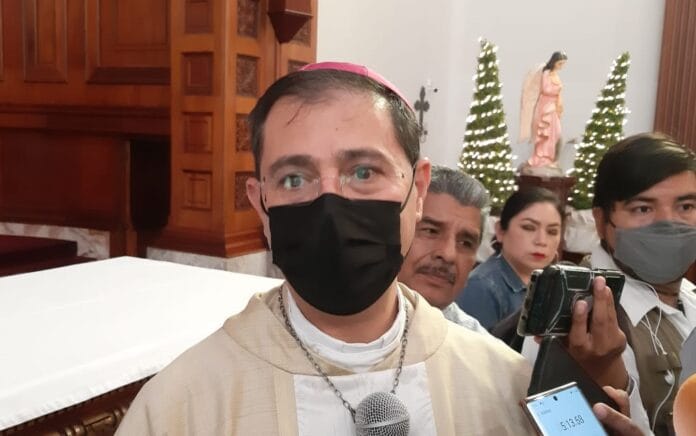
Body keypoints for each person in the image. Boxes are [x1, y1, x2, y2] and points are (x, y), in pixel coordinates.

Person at [116, 62, 640, 435]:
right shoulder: (182, 405)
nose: (330, 204)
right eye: (294, 178)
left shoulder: (502, 384)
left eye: (363, 172)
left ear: (418, 190)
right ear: (261, 204)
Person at [588, 133, 696, 435]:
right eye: (643, 209)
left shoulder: (688, 297)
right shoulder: (580, 315)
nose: (669, 224)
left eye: (686, 206)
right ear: (602, 221)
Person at [398, 165, 490, 333]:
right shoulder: (346, 319)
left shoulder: (478, 346)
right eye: (431, 231)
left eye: (465, 243)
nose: (448, 254)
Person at [456, 187, 563, 329]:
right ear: (500, 231)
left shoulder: (554, 284)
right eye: (529, 228)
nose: (541, 241)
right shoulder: (480, 287)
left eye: (552, 231)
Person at [528, 51, 567, 167]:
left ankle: (549, 157)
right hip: (546, 105)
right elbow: (546, 89)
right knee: (546, 132)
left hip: (553, 106)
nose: (561, 66)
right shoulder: (546, 73)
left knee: (556, 132)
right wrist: (557, 90)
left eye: (563, 64)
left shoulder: (555, 75)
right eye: (560, 63)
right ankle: (542, 157)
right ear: (554, 62)